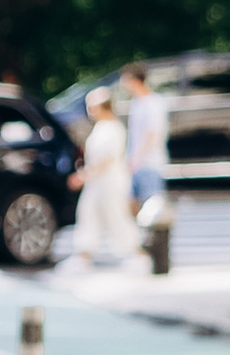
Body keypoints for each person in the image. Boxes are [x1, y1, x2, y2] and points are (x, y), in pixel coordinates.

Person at [71, 85, 136, 268]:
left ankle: (133, 252)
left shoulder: (114, 128)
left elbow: (107, 158)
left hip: (110, 181)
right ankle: (83, 254)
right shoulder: (101, 127)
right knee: (88, 213)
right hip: (95, 181)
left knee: (116, 215)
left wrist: (84, 175)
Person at [122, 64, 170, 235]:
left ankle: (153, 239)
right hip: (135, 162)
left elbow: (152, 133)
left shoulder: (153, 103)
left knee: (152, 205)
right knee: (131, 203)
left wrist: (138, 158)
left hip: (150, 162)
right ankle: (138, 237)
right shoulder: (136, 103)